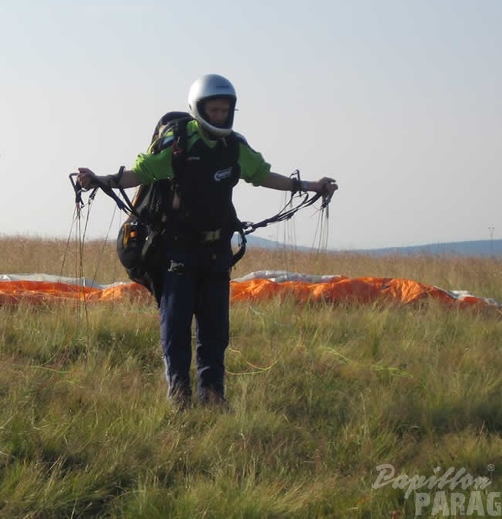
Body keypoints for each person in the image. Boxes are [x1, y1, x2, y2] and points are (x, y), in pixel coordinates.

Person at [77, 74, 337, 408]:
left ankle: (213, 395)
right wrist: (99, 180)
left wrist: (312, 186)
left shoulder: (233, 148)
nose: (219, 116)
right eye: (213, 110)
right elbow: (140, 174)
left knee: (215, 330)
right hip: (178, 250)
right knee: (176, 325)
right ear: (200, 109)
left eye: (225, 110)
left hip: (216, 252)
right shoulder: (179, 145)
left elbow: (264, 175)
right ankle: (179, 394)